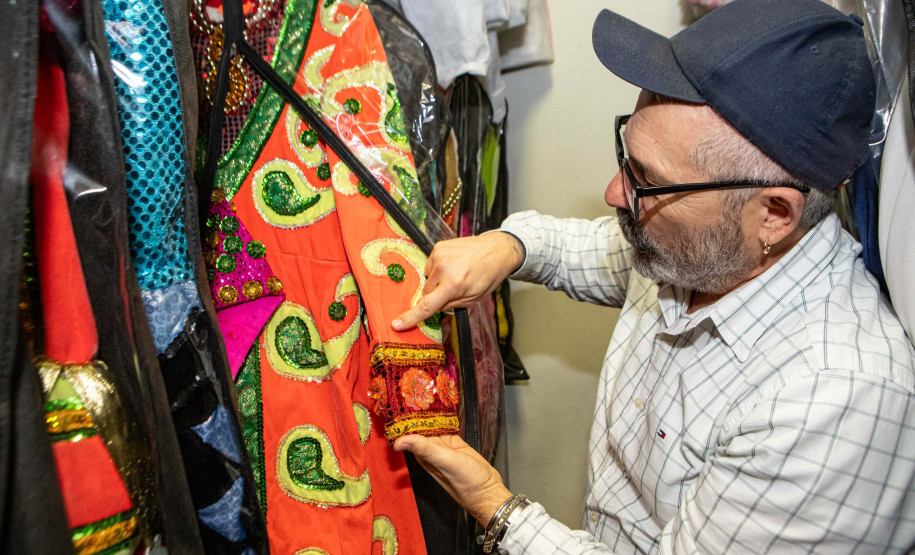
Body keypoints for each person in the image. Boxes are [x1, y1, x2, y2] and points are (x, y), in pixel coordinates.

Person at [389, 0, 915, 552]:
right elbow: (587, 250)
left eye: (649, 180)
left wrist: (491, 505)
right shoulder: (699, 249)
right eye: (627, 156)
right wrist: (507, 245)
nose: (615, 194)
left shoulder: (832, 403)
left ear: (774, 214)